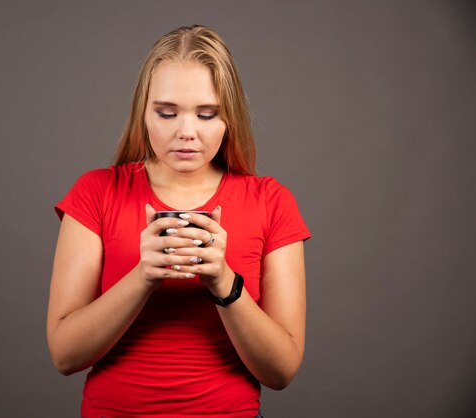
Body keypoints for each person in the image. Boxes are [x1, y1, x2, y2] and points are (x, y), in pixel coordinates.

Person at [46, 24, 311, 417]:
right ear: (144, 113)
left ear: (229, 119)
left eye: (207, 114)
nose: (186, 133)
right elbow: (65, 356)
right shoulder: (97, 192)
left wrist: (223, 282)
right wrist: (144, 276)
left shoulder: (271, 201)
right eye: (167, 113)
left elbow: (281, 371)